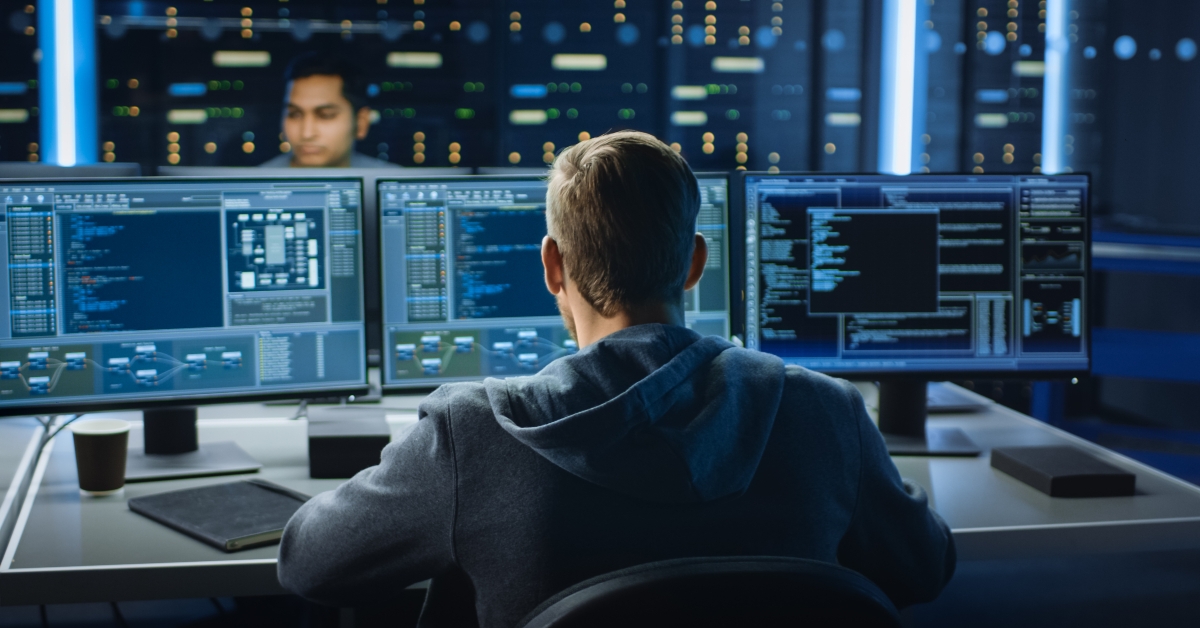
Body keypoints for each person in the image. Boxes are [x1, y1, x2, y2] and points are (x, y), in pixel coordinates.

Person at [277, 131, 955, 627]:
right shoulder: (825, 413)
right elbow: (924, 569)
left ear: (552, 267)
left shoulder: (472, 434)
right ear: (694, 264)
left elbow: (310, 567)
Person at [260, 53, 397, 168]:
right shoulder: (256, 184)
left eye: (325, 115)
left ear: (361, 123)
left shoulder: (392, 183)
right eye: (294, 114)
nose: (307, 133)